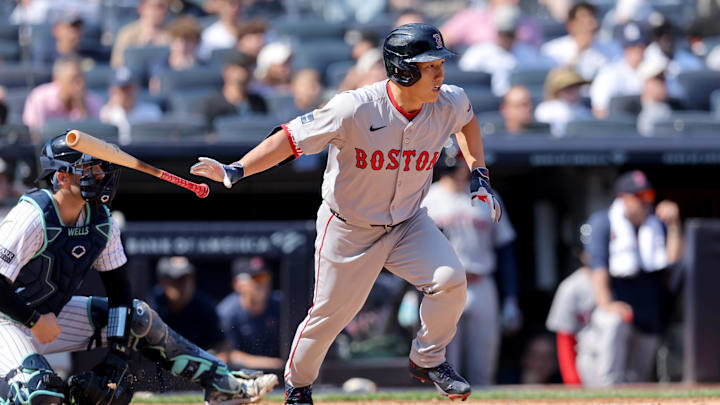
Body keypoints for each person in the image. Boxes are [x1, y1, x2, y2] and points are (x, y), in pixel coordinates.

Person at [190, 23, 502, 404]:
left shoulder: (449, 101)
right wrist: (236, 169)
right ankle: (299, 386)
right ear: (403, 69)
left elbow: (467, 121)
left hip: (408, 223)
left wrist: (478, 172)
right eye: (429, 65)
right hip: (349, 228)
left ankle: (428, 360)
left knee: (451, 280)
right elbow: (289, 138)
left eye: (440, 63)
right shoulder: (354, 106)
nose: (439, 73)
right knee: (330, 316)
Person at [0, 134, 278, 405]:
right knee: (41, 394)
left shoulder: (101, 220)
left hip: (47, 317)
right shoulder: (32, 216)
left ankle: (224, 385)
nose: (100, 175)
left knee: (140, 319)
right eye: (89, 169)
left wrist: (117, 354)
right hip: (8, 321)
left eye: (100, 168)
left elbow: (120, 292)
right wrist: (34, 320)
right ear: (62, 178)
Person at [421, 153, 521, 386]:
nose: (462, 168)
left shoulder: (487, 196)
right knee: (444, 364)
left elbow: (505, 249)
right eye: (456, 163)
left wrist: (511, 298)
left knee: (483, 363)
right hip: (441, 286)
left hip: (481, 282)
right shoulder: (427, 197)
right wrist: (409, 293)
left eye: (464, 162)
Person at [582, 170, 684, 384]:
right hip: (618, 309)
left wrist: (674, 224)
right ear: (623, 198)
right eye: (639, 197)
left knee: (639, 379)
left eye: (648, 196)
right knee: (614, 323)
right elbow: (597, 266)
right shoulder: (604, 222)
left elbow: (673, 261)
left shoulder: (656, 224)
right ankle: (607, 392)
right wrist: (607, 303)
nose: (645, 203)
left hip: (647, 313)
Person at [458, 4, 555, 97]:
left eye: (510, 34)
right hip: (492, 101)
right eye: (504, 34)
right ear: (498, 32)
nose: (507, 38)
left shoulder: (526, 52)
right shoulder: (479, 52)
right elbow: (466, 79)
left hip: (518, 102)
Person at [545, 226, 596, 385]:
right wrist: (572, 380)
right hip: (587, 356)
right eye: (590, 250)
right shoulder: (571, 287)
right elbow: (564, 337)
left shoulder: (622, 278)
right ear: (581, 254)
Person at [216, 256, 284, 370]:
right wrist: (271, 363)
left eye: (265, 277)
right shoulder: (226, 312)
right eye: (256, 278)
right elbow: (225, 354)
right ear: (237, 284)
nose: (262, 283)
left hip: (281, 376)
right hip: (241, 377)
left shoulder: (281, 304)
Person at [147, 256, 226, 352]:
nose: (184, 285)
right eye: (177, 279)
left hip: (198, 364)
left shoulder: (204, 306)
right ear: (163, 282)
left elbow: (222, 346)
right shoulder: (153, 305)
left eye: (188, 278)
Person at [23, 57, 103, 136]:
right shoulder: (39, 98)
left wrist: (83, 109)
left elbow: (98, 136)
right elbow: (34, 135)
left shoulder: (93, 100)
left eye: (82, 78)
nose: (81, 84)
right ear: (57, 80)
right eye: (74, 79)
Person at [540, 2, 620, 81]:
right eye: (583, 21)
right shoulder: (552, 50)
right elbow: (554, 82)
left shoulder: (611, 47)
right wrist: (579, 51)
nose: (590, 26)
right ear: (571, 25)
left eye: (592, 19)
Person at [590, 21, 649, 119]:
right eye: (631, 47)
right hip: (619, 128)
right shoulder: (609, 73)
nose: (637, 51)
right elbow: (599, 110)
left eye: (640, 46)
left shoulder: (656, 70)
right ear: (623, 48)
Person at [201, 51, 268, 128]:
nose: (244, 73)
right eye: (240, 67)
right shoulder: (212, 104)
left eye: (248, 67)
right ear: (226, 71)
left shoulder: (258, 101)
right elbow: (208, 135)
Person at [99, 66, 163, 145]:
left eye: (129, 88)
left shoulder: (152, 112)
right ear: (113, 90)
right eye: (122, 89)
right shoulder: (107, 112)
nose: (126, 94)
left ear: (137, 88)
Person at [148, 16, 206, 94]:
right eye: (177, 41)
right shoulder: (160, 66)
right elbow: (155, 91)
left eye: (188, 40)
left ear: (196, 43)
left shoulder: (205, 66)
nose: (183, 45)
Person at [110, 0, 172, 69]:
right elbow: (117, 65)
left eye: (165, 7)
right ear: (142, 8)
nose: (162, 11)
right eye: (158, 6)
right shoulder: (127, 34)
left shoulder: (172, 34)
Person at [534, 68, 592, 137]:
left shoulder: (584, 111)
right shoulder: (545, 109)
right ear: (557, 90)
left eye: (576, 87)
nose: (574, 91)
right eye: (569, 88)